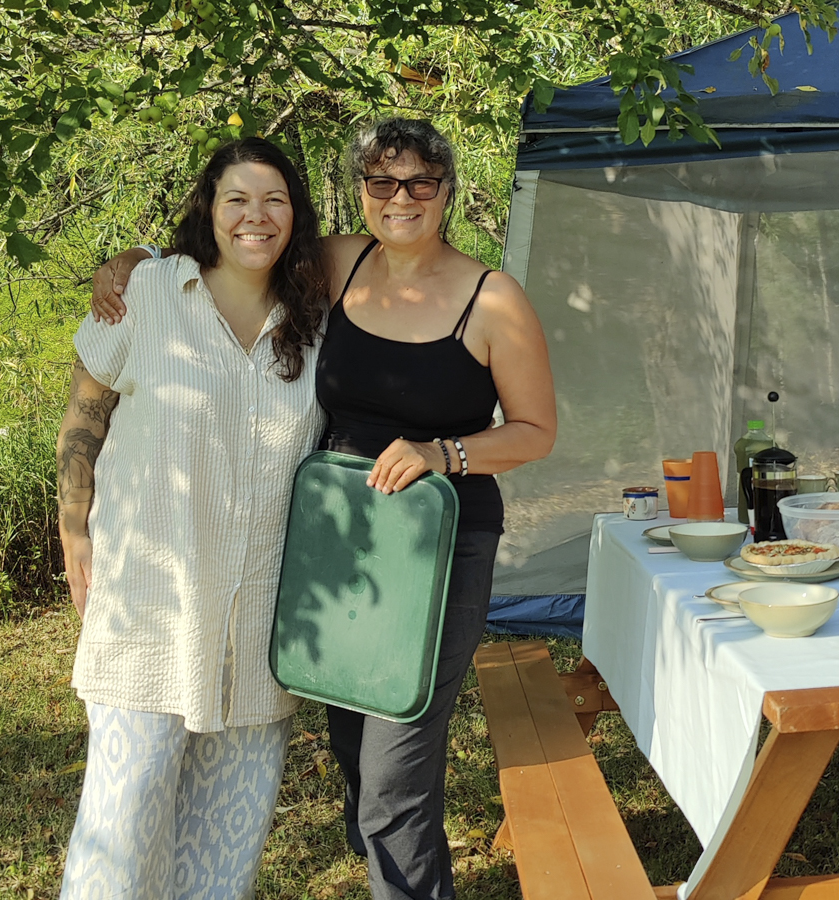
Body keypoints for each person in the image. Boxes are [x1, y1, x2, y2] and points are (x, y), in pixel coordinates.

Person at [91, 117, 557, 900]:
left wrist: (446, 453)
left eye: (420, 182)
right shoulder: (342, 262)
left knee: (391, 774)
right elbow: (231, 260)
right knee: (354, 747)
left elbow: (537, 431)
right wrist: (137, 261)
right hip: (340, 539)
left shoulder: (493, 298)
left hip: (439, 544)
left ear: (447, 191)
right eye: (381, 181)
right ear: (361, 194)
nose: (400, 197)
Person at [57, 137, 329, 899]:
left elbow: (391, 240)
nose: (255, 216)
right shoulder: (148, 292)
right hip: (148, 612)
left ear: (296, 215)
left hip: (257, 627)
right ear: (207, 209)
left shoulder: (313, 319)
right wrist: (74, 531)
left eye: (274, 198)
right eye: (236, 198)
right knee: (118, 841)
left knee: (223, 855)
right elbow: (84, 414)